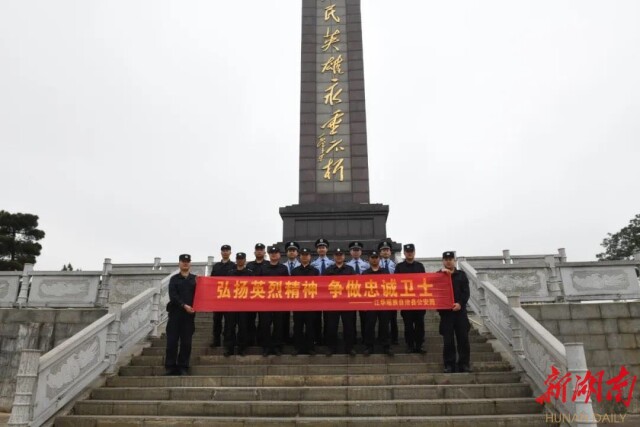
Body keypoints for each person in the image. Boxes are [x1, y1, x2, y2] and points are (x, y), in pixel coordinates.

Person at [438, 251, 472, 373]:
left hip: (460, 313)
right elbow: (435, 293)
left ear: (455, 261)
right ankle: (449, 364)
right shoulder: (438, 275)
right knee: (448, 340)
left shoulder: (461, 275)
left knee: (463, 339)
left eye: (451, 259)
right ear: (442, 261)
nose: (448, 261)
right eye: (446, 259)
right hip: (446, 314)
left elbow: (466, 292)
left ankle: (464, 364)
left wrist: (460, 304)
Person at [165, 254, 197, 376]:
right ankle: (170, 367)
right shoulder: (174, 279)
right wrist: (184, 306)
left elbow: (200, 295)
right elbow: (173, 296)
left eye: (187, 261)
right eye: (183, 261)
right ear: (179, 263)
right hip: (175, 314)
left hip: (189, 317)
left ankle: (183, 366)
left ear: (190, 264)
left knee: (186, 343)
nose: (185, 263)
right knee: (172, 342)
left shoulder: (195, 279)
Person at [257, 246, 290, 356]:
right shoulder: (263, 268)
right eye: (271, 253)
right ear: (269, 255)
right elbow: (258, 284)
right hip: (266, 302)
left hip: (279, 302)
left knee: (278, 325)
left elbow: (287, 285)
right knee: (265, 325)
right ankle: (266, 347)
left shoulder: (283, 269)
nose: (274, 254)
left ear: (279, 255)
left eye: (276, 252)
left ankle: (277, 347)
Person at [324, 248, 357, 356]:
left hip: (347, 303)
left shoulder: (350, 269)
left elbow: (355, 285)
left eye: (341, 254)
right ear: (334, 256)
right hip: (332, 304)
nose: (339, 256)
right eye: (337, 254)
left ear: (344, 256)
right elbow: (323, 286)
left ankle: (349, 347)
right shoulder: (328, 270)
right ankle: (331, 348)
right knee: (331, 326)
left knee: (349, 326)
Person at [395, 243, 427, 354]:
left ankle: (419, 345)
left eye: (411, 251)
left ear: (414, 252)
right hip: (406, 302)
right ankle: (410, 345)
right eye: (407, 252)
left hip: (419, 302)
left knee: (420, 325)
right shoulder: (399, 267)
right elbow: (396, 284)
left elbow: (425, 282)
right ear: (404, 253)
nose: (409, 253)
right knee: (408, 325)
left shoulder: (420, 266)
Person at [223, 252, 254, 357]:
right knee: (230, 327)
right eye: (238, 259)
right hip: (232, 304)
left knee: (243, 327)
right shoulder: (230, 272)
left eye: (242, 259)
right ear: (236, 260)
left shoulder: (249, 273)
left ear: (245, 260)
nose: (240, 260)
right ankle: (229, 348)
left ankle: (242, 348)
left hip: (244, 305)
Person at [362, 251, 393, 356]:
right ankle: (369, 346)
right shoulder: (365, 273)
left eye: (376, 257)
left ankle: (386, 346)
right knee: (369, 325)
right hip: (370, 304)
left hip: (383, 302)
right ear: (368, 259)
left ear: (379, 259)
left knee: (384, 325)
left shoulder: (385, 272)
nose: (374, 259)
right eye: (372, 257)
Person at [291, 248, 320, 355]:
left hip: (311, 304)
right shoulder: (294, 272)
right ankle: (297, 347)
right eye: (302, 255)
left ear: (310, 257)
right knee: (297, 326)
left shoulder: (315, 271)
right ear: (300, 256)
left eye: (306, 255)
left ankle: (310, 348)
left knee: (310, 327)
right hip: (298, 304)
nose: (304, 257)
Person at [210, 244, 235, 348]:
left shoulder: (234, 266)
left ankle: (227, 341)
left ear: (230, 252)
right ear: (221, 252)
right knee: (217, 320)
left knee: (229, 321)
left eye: (227, 250)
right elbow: (211, 281)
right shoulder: (216, 266)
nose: (225, 252)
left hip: (229, 298)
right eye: (223, 250)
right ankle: (216, 340)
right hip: (218, 298)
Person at [311, 238, 334, 344]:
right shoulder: (312, 264)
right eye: (319, 248)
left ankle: (328, 339)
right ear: (317, 250)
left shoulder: (333, 264)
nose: (321, 249)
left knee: (329, 319)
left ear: (327, 249)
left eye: (323, 247)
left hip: (329, 294)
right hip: (316, 294)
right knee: (316, 318)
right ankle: (317, 339)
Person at [347, 241, 370, 343]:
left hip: (364, 295)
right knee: (350, 319)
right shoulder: (346, 265)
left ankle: (366, 338)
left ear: (361, 252)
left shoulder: (367, 265)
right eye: (353, 250)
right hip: (351, 294)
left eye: (357, 250)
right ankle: (352, 338)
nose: (355, 252)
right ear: (350, 252)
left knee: (365, 318)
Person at [246, 243, 268, 345]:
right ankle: (250, 340)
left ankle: (261, 341)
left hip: (265, 297)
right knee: (250, 320)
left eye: (261, 249)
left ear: (264, 252)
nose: (259, 251)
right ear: (254, 252)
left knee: (263, 321)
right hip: (251, 297)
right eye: (257, 249)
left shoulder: (268, 264)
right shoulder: (249, 265)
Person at [378, 240, 398, 345]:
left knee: (393, 317)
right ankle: (382, 337)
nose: (385, 252)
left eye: (387, 250)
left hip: (391, 293)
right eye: (383, 250)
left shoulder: (395, 265)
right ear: (380, 253)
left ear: (390, 252)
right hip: (379, 294)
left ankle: (394, 338)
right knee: (382, 318)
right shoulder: (376, 264)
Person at [282, 241, 301, 344]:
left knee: (298, 319)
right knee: (284, 318)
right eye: (290, 250)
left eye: (294, 250)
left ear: (297, 253)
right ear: (286, 252)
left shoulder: (303, 266)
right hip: (285, 296)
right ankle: (285, 338)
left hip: (299, 296)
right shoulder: (282, 266)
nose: (292, 252)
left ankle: (297, 338)